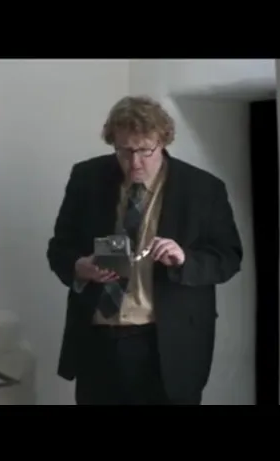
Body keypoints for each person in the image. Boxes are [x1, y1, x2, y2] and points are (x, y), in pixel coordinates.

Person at [46, 95, 243, 405]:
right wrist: (78, 267)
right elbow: (59, 247)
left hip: (166, 346)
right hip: (97, 342)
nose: (135, 162)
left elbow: (228, 258)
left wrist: (185, 259)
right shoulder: (86, 178)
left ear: (162, 141)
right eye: (124, 151)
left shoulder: (203, 189)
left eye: (145, 150)